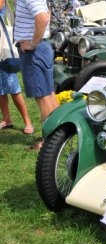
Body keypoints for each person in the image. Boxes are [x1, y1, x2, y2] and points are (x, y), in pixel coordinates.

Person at [14, 0, 60, 149]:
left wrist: (33, 43)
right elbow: (47, 14)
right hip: (40, 48)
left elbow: (43, 17)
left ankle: (50, 142)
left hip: (35, 51)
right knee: (48, 93)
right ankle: (59, 135)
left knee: (43, 96)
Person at [0, 0, 34, 134]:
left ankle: (27, 121)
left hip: (2, 50)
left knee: (13, 87)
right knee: (0, 89)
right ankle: (7, 119)